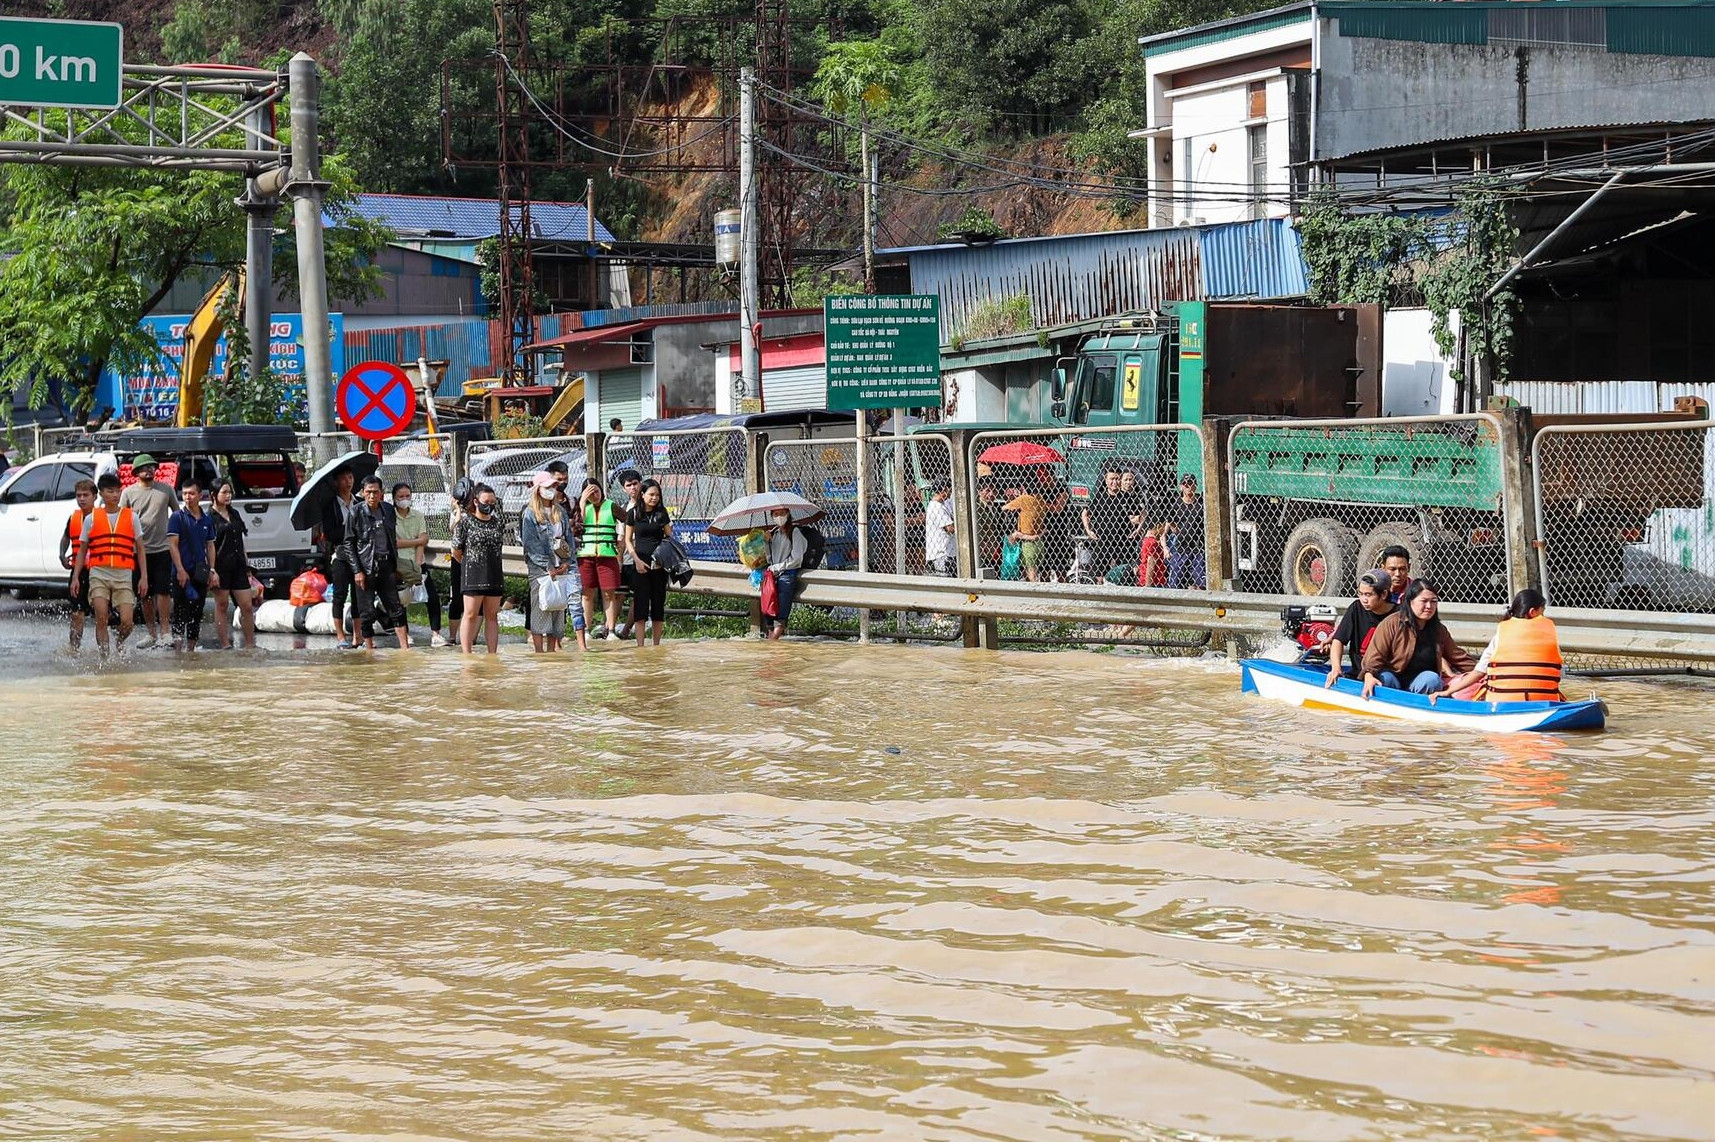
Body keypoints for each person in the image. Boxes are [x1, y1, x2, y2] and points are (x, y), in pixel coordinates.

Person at [1433, 589, 1564, 703]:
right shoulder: (1549, 635)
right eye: (1542, 611)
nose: (1544, 616)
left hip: (1502, 701)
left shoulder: (1500, 635)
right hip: (1543, 700)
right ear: (1532, 612)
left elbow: (1478, 673)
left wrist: (1447, 692)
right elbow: (1559, 673)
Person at [73, 473, 147, 657]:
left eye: (117, 491)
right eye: (110, 491)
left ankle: (120, 641)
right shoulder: (91, 518)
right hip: (98, 573)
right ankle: (104, 659)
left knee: (128, 621)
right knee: (101, 617)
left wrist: (144, 577)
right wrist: (76, 576)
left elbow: (140, 548)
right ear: (102, 494)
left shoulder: (131, 517)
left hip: (123, 575)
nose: (115, 495)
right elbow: (82, 550)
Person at [1362, 578, 1475, 697]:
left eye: (1433, 601)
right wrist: (1368, 675)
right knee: (1385, 679)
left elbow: (1458, 657)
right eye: (1424, 601)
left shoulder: (1439, 630)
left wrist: (1484, 671)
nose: (1429, 606)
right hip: (1393, 678)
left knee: (1433, 679)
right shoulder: (1391, 623)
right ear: (1410, 601)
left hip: (1420, 682)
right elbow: (1374, 658)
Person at [344, 476, 410, 651]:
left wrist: (395, 565)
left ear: (381, 493)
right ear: (362, 493)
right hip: (366, 568)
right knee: (366, 612)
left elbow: (392, 539)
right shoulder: (355, 512)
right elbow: (349, 543)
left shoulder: (388, 510)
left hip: (386, 566)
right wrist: (357, 571)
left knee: (395, 607)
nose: (372, 496)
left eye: (375, 492)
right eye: (368, 492)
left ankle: (404, 647)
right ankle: (369, 648)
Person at [119, 453, 178, 649]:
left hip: (162, 549)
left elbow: (177, 515)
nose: (149, 470)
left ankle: (165, 632)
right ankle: (151, 633)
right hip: (138, 552)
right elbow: (121, 520)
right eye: (144, 468)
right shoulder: (128, 493)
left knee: (163, 592)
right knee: (144, 594)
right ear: (136, 472)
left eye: (152, 467)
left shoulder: (166, 490)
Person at [520, 471, 582, 653]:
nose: (552, 490)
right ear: (538, 490)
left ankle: (552, 650)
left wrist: (567, 562)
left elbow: (568, 538)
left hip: (561, 566)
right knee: (541, 608)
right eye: (548, 487)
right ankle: (539, 652)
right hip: (540, 569)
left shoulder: (560, 511)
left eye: (553, 487)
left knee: (557, 607)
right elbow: (530, 545)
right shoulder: (530, 514)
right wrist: (548, 567)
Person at [392, 481, 448, 648]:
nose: (404, 499)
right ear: (394, 498)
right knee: (402, 600)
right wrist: (416, 541)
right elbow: (395, 543)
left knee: (431, 597)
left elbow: (423, 541)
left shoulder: (418, 515)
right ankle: (405, 634)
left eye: (407, 496)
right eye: (401, 496)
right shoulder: (390, 516)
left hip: (417, 561)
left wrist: (417, 564)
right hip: (399, 562)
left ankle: (436, 634)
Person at [452, 482, 506, 654]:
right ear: (475, 501)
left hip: (494, 573)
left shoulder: (497, 523)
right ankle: (466, 652)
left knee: (492, 616)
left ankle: (492, 653)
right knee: (470, 614)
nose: (489, 505)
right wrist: (469, 564)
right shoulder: (466, 522)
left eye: (492, 502)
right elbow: (456, 551)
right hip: (473, 573)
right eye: (485, 502)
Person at [166, 477, 218, 652]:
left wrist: (212, 570)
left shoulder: (207, 519)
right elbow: (172, 544)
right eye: (185, 493)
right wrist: (180, 569)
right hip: (181, 571)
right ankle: (178, 651)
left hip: (200, 572)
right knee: (180, 611)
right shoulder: (177, 517)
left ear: (200, 495)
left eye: (191, 493)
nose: (188, 497)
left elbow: (210, 545)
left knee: (197, 611)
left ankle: (191, 650)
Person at [1323, 568, 1396, 687]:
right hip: (1358, 674)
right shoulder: (1356, 608)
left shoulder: (1398, 615)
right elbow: (1338, 640)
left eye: (1368, 595)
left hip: (1385, 674)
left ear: (1383, 594)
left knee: (1387, 678)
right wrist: (1336, 668)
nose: (1364, 600)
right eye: (1360, 594)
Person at [208, 478, 258, 650]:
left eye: (230, 492)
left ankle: (250, 644)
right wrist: (212, 570)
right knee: (221, 605)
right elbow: (209, 546)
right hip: (220, 567)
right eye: (224, 492)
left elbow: (241, 541)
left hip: (238, 565)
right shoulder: (209, 518)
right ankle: (224, 644)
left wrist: (247, 566)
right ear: (213, 495)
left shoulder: (235, 514)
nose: (228, 496)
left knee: (247, 605)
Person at [625, 478, 674, 647]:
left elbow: (669, 537)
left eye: (657, 495)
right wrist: (636, 560)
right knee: (640, 605)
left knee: (658, 604)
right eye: (651, 494)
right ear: (642, 494)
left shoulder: (662, 513)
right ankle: (640, 646)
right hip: (640, 565)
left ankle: (656, 645)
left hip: (659, 566)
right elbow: (628, 540)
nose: (654, 498)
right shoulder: (633, 513)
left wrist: (663, 558)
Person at [577, 477, 626, 640]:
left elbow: (629, 520)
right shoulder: (581, 507)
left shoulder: (611, 506)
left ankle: (611, 631)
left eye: (596, 491)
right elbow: (578, 524)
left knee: (608, 594)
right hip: (586, 556)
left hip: (607, 555)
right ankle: (585, 630)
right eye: (590, 493)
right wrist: (583, 502)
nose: (595, 495)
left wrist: (621, 544)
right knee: (587, 594)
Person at [1082, 464, 1142, 581]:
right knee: (1099, 574)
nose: (1115, 482)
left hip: (1122, 542)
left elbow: (1142, 514)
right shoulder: (1099, 497)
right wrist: (1088, 530)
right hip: (1103, 541)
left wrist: (1138, 529)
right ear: (1106, 480)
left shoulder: (1126, 497)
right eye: (1112, 479)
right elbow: (1085, 513)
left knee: (1125, 573)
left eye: (1117, 478)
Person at [321, 468, 359, 648]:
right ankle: (340, 636)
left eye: (350, 477)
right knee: (340, 595)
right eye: (343, 479)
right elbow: (330, 534)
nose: (348, 482)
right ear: (336, 482)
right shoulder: (330, 506)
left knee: (359, 595)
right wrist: (350, 528)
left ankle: (358, 635)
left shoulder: (359, 502)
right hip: (340, 555)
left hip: (359, 555)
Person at [59, 478, 98, 652]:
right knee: (77, 612)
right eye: (78, 495)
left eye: (86, 495)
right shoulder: (73, 518)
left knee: (104, 613)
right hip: (78, 571)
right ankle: (74, 648)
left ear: (95, 496)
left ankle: (109, 650)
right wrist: (62, 555)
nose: (81, 499)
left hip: (99, 570)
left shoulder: (102, 517)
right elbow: (66, 537)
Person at [762, 505, 808, 639]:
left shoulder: (795, 532)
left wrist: (778, 567)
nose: (779, 517)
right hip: (773, 575)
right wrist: (766, 543)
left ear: (787, 514)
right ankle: (772, 641)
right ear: (772, 516)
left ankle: (773, 642)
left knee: (781, 613)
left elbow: (797, 559)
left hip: (787, 574)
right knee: (769, 611)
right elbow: (770, 559)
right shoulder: (774, 533)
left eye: (782, 513)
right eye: (775, 514)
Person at [612, 467, 643, 637]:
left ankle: (625, 631)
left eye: (635, 484)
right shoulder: (622, 508)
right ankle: (609, 629)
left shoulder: (649, 504)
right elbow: (620, 537)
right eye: (629, 485)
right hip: (626, 558)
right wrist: (618, 560)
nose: (633, 488)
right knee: (619, 595)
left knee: (636, 597)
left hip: (642, 557)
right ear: (624, 488)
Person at [1165, 474, 1206, 590]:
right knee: (1175, 582)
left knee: (1200, 581)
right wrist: (1166, 546)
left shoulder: (1201, 505)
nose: (1188, 486)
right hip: (1181, 547)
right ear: (1181, 487)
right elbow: (1171, 526)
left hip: (1198, 547)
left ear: (1195, 486)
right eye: (1185, 484)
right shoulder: (1176, 505)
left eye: (1191, 483)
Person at [1003, 478, 1044, 582]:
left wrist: (1015, 500)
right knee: (1035, 570)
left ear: (1024, 488)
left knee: (1031, 573)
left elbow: (1005, 508)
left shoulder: (1024, 498)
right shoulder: (1041, 500)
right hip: (1039, 541)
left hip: (1027, 541)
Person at [923, 478, 956, 576]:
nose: (950, 493)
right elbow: (950, 528)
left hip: (945, 552)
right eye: (949, 490)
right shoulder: (937, 507)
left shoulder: (942, 505)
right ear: (945, 489)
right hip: (942, 554)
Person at [1137, 522, 1170, 588]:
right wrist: (1148, 584)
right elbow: (1151, 563)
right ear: (1158, 527)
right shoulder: (1154, 543)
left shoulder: (1145, 540)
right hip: (1155, 582)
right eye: (1163, 528)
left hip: (1144, 578)